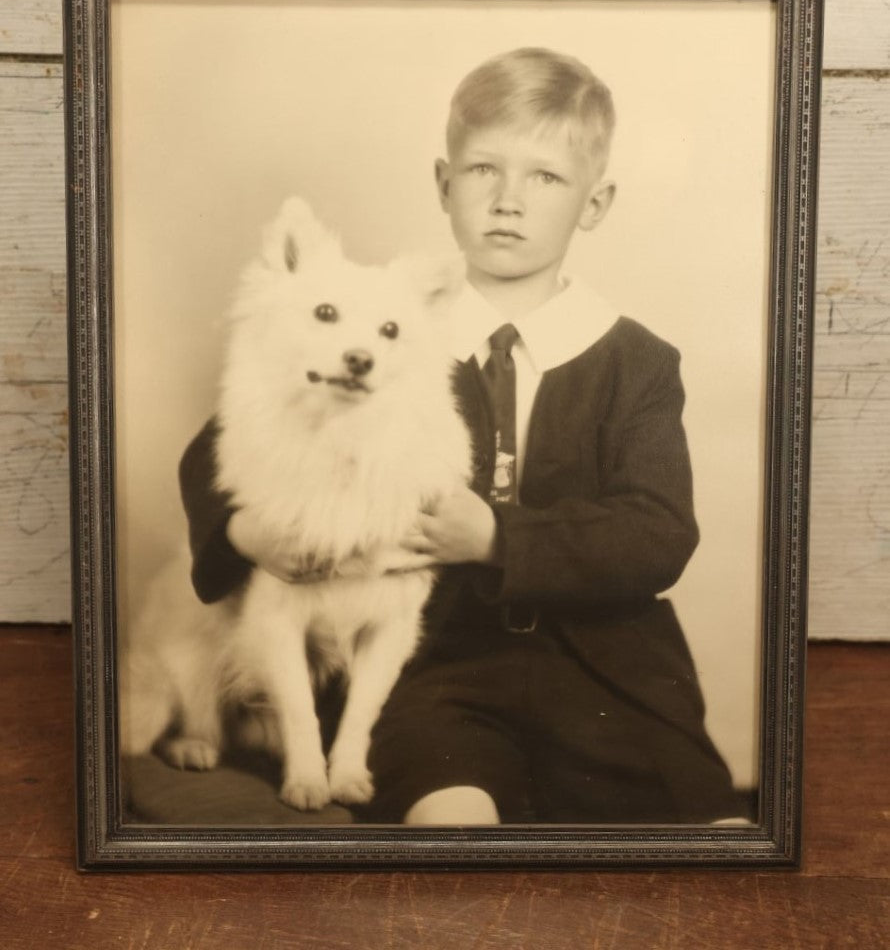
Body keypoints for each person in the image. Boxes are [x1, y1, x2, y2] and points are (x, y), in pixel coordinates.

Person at [180, 47, 743, 826]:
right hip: (434, 667)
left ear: (595, 202)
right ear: (445, 185)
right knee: (453, 831)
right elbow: (223, 447)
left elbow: (659, 532)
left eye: (544, 177)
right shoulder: (393, 326)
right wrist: (247, 530)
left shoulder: (635, 362)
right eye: (484, 170)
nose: (509, 200)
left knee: (710, 846)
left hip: (605, 669)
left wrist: (496, 538)